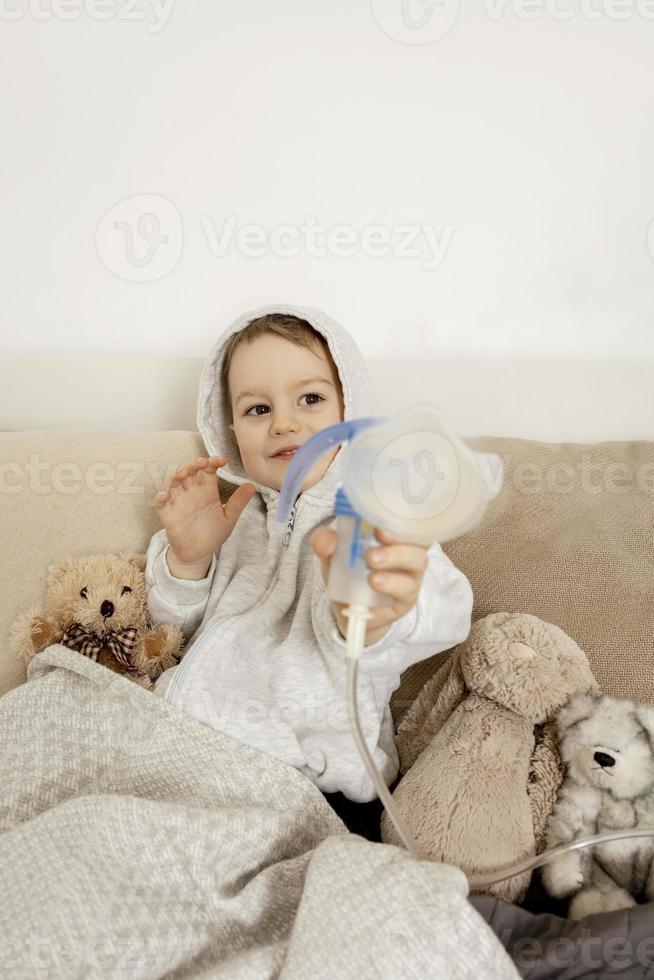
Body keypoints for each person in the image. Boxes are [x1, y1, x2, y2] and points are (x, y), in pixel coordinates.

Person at [145, 304, 474, 840]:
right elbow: (169, 634)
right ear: (230, 432)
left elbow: (445, 605)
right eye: (257, 409)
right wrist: (189, 558)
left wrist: (374, 612)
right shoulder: (234, 518)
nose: (284, 422)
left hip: (311, 789)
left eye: (311, 399)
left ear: (351, 408)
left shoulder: (377, 519)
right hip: (186, 753)